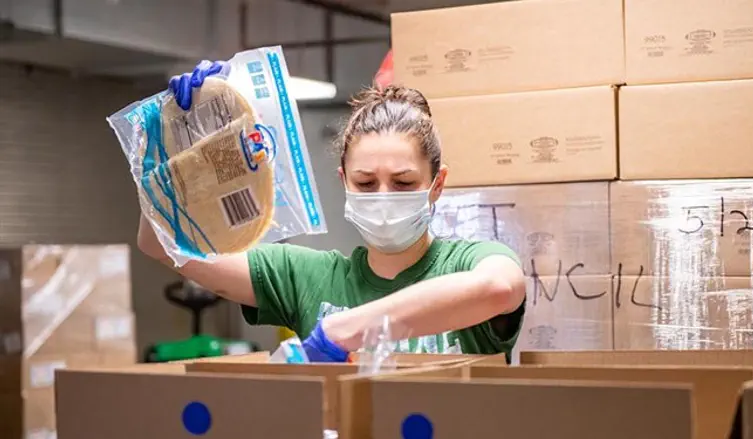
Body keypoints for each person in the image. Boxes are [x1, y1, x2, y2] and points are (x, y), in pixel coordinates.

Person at [139, 61, 527, 363]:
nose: (383, 195)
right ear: (344, 181)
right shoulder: (307, 277)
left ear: (436, 184)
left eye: (404, 183)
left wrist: (341, 332)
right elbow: (161, 246)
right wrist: (172, 154)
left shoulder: (469, 262)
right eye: (365, 182)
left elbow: (499, 288)